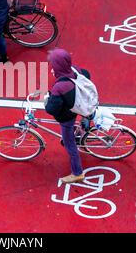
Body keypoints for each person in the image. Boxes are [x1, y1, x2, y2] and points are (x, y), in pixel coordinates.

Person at [44, 49, 91, 184]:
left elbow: (52, 109)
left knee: (69, 144)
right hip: (81, 105)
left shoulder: (60, 87)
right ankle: (81, 131)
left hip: (67, 117)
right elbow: (86, 75)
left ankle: (77, 173)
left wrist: (48, 99)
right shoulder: (75, 69)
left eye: (53, 64)